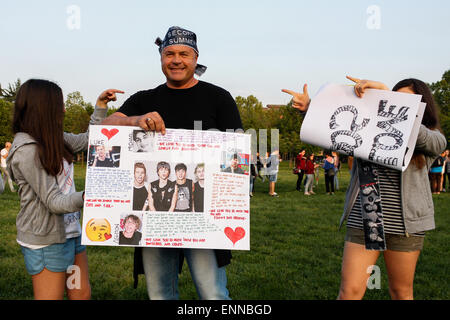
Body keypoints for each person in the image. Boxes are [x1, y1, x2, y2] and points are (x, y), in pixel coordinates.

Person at [102, 26, 242, 299]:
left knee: (213, 293)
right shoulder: (144, 99)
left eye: (183, 54)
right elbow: (105, 126)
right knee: (160, 294)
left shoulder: (219, 98)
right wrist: (133, 121)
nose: (176, 60)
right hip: (155, 217)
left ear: (195, 58)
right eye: (169, 53)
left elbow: (236, 155)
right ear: (161, 58)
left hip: (204, 215)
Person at [283, 76, 446, 299]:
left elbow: (431, 141)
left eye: (405, 101)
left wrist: (390, 101)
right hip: (365, 217)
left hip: (405, 224)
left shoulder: (432, 137)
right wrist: (309, 108)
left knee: (401, 292)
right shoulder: (369, 128)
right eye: (394, 98)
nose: (398, 103)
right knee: (349, 291)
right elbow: (332, 130)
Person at [7, 78, 121, 299]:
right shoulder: (27, 150)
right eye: (60, 104)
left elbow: (90, 140)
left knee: (81, 294)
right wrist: (90, 197)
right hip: (47, 241)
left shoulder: (55, 138)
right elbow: (54, 202)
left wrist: (100, 107)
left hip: (71, 234)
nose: (65, 109)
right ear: (44, 108)